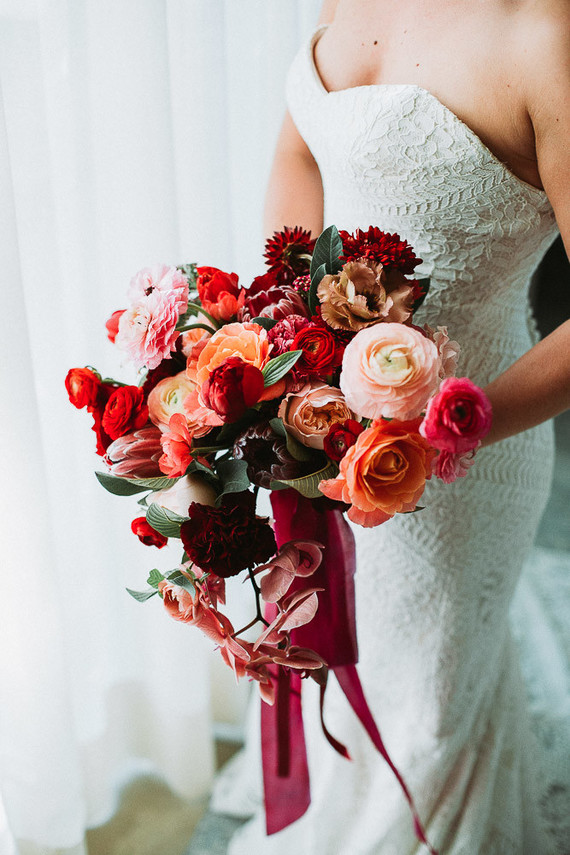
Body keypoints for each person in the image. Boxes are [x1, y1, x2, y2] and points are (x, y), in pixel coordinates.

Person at [213, 1, 570, 851]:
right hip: (325, 422)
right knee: (355, 649)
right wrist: (290, 329)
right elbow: (301, 147)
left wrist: (462, 424)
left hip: (469, 460)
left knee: (432, 702)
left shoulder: (545, 36)